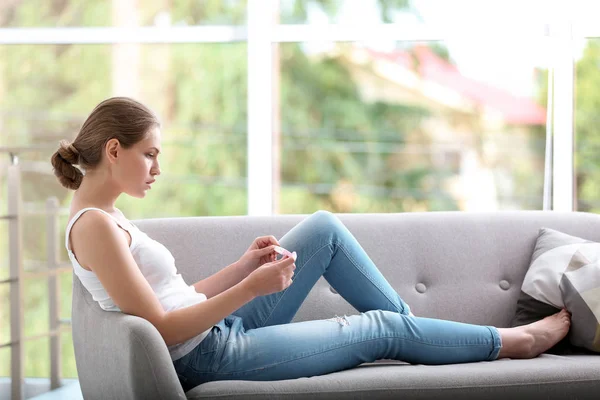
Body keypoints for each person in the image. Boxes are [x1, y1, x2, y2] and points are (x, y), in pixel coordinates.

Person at [51, 97, 572, 392]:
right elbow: (161, 332)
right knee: (382, 328)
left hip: (213, 328)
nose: (158, 169)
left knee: (322, 229)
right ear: (115, 150)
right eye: (150, 155)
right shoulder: (94, 226)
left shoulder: (109, 217)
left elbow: (176, 297)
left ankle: (417, 338)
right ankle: (513, 342)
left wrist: (241, 267)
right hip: (206, 354)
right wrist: (253, 289)